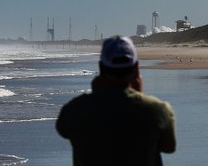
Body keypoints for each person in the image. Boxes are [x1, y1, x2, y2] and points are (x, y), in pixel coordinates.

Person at [56, 36, 176, 166]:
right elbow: (169, 147)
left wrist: (96, 95)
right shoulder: (158, 110)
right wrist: (139, 95)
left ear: (101, 67)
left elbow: (63, 130)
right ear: (136, 68)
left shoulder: (75, 109)